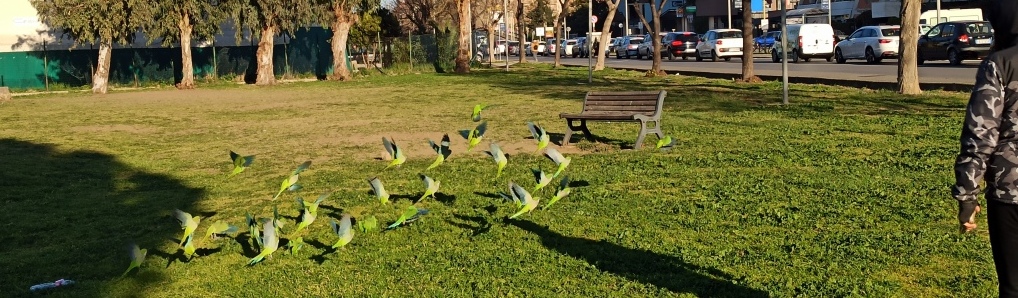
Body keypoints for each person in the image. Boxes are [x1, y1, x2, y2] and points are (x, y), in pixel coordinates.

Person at [953, 1, 1018, 296]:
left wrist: (968, 196)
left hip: (1010, 193)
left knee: (1013, 286)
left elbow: (980, 136)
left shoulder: (1000, 64)